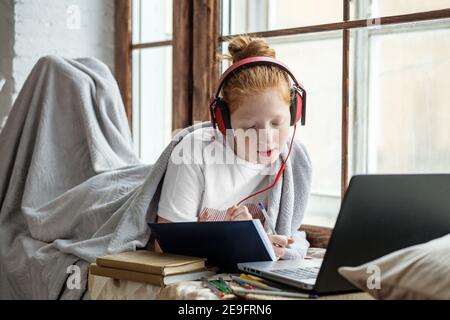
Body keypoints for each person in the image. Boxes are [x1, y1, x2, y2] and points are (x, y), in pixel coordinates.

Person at [155, 35, 312, 260]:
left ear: (295, 113)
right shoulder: (195, 151)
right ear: (223, 122)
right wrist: (243, 241)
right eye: (250, 126)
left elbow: (288, 235)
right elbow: (165, 245)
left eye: (277, 123)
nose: (267, 138)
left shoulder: (294, 160)